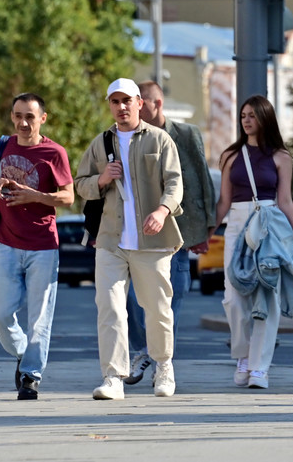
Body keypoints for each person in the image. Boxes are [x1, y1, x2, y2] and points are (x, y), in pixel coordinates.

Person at [75, 78, 184, 400]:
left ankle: (164, 366)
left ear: (140, 103)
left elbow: (175, 183)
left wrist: (163, 211)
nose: (121, 107)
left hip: (153, 241)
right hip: (110, 239)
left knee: (157, 308)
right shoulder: (100, 143)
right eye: (115, 101)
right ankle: (113, 377)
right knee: (108, 308)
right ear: (109, 105)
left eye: (127, 101)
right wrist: (101, 179)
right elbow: (79, 184)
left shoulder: (160, 140)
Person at [123, 80, 216, 386]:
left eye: (140, 102)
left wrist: (206, 228)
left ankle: (163, 363)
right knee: (134, 301)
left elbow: (201, 179)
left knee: (170, 302)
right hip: (140, 234)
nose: (133, 108)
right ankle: (142, 351)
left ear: (156, 104)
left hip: (178, 233)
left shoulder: (186, 135)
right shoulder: (129, 138)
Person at [0, 93, 74, 401]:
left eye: (30, 117)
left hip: (43, 246)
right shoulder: (2, 146)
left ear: (42, 119)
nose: (23, 123)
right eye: (18, 115)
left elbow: (68, 197)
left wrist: (36, 196)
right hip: (7, 244)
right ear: (12, 117)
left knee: (39, 318)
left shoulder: (54, 152)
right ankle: (23, 353)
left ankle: (31, 375)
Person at [214, 95, 293, 390]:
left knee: (268, 296)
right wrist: (205, 233)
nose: (247, 120)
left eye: (252, 115)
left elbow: (287, 201)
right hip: (237, 224)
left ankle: (260, 367)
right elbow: (224, 201)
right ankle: (242, 356)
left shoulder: (281, 156)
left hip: (268, 225)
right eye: (243, 116)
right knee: (233, 296)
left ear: (265, 117)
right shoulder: (230, 155)